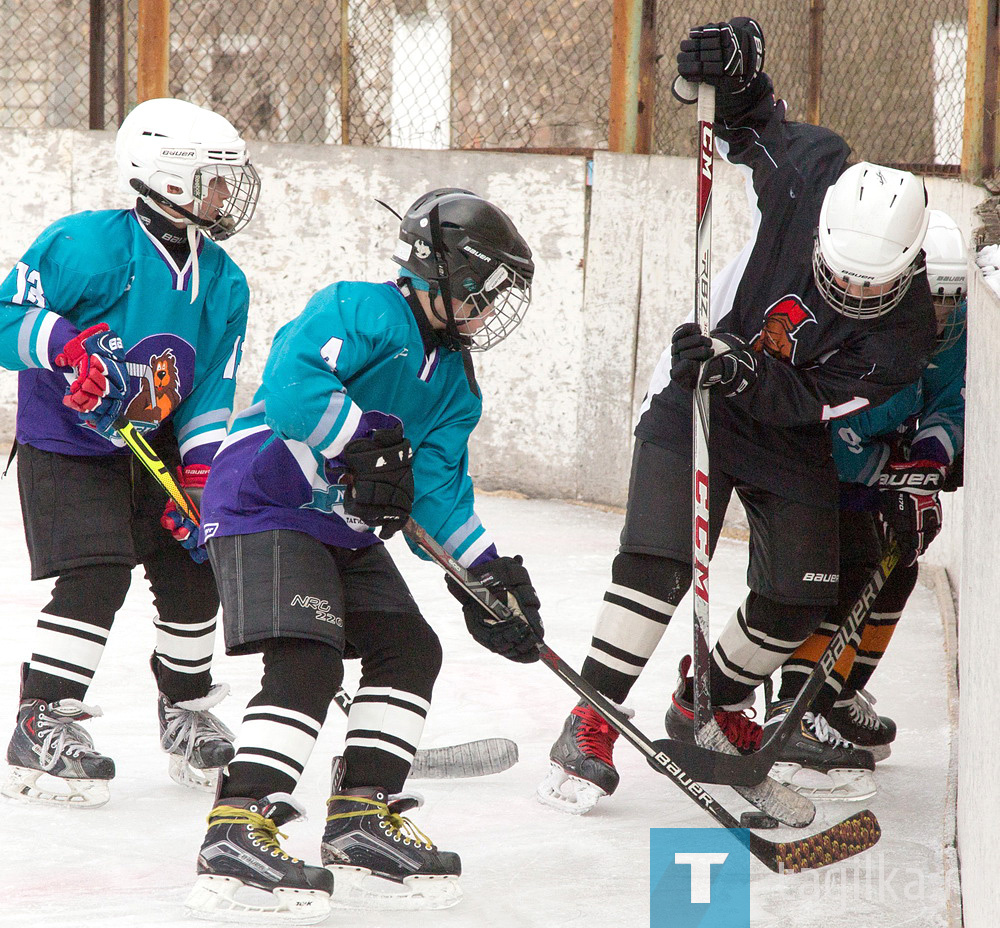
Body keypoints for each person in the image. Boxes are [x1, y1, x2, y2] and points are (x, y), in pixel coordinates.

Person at [536, 17, 936, 816]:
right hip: (695, 396)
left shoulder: (907, 332)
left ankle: (707, 701)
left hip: (786, 426)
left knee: (801, 593)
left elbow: (818, 400)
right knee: (659, 563)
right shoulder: (809, 170)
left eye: (871, 287)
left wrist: (751, 366)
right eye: (840, 278)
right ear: (822, 227)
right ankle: (592, 718)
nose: (853, 297)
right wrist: (728, 72)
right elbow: (745, 120)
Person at [183, 188, 541, 920]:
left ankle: (358, 820)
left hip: (340, 527)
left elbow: (435, 498)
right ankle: (237, 825)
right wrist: (360, 445)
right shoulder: (361, 309)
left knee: (412, 648)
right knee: (308, 658)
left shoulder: (454, 386)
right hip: (264, 502)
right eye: (487, 290)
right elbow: (291, 386)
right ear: (447, 273)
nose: (492, 308)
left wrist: (487, 578)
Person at [1, 97, 261, 807]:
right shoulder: (85, 245)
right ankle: (41, 719)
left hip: (159, 446)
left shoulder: (225, 281)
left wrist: (203, 477)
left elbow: (211, 385)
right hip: (69, 448)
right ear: (170, 178)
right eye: (213, 178)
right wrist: (64, 348)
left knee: (193, 569)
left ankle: (184, 712)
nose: (223, 193)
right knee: (98, 572)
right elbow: (5, 316)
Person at [768, 209, 967, 798]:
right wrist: (891, 477)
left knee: (899, 562)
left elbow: (949, 399)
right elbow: (836, 428)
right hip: (818, 466)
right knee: (841, 571)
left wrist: (929, 463)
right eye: (933, 300)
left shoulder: (952, 325)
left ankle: (836, 695)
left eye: (949, 303)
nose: (938, 318)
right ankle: (794, 703)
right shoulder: (861, 319)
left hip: (876, 460)